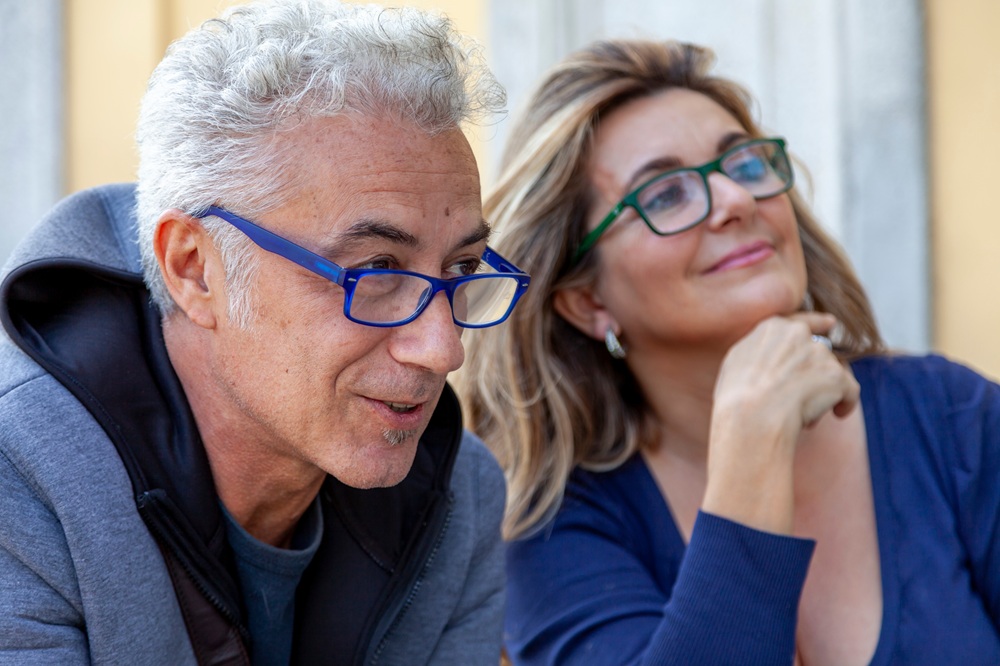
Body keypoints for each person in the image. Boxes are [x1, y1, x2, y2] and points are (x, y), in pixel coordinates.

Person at [0, 1, 531, 663]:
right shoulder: (17, 487)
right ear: (196, 270)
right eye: (375, 270)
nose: (443, 348)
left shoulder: (457, 497)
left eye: (461, 267)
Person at [458, 38, 1000, 665]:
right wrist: (752, 446)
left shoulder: (949, 418)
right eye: (664, 195)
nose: (737, 202)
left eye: (743, 165)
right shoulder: (553, 524)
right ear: (587, 302)